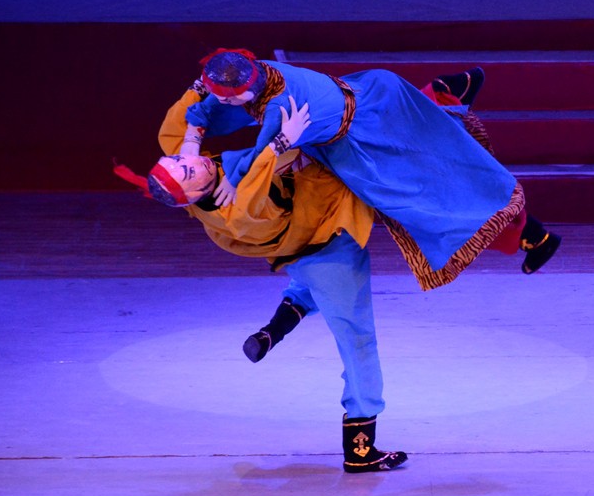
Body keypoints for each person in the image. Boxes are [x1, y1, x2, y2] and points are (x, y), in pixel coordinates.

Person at [115, 89, 408, 473]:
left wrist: (203, 91)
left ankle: (274, 330)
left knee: (311, 289)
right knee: (358, 340)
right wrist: (281, 141)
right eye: (188, 170)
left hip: (303, 246)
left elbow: (179, 135)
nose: (194, 163)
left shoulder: (196, 178)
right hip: (325, 244)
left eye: (182, 161)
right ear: (193, 194)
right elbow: (254, 188)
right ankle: (360, 447)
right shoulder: (234, 210)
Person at [180, 48, 561, 291]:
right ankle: (444, 96)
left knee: (428, 194)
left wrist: (234, 177)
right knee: (432, 169)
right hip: (370, 100)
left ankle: (447, 101)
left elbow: (261, 154)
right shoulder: (257, 71)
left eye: (228, 97)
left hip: (363, 138)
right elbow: (207, 110)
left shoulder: (279, 103)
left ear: (245, 89)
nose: (221, 101)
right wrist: (190, 147)